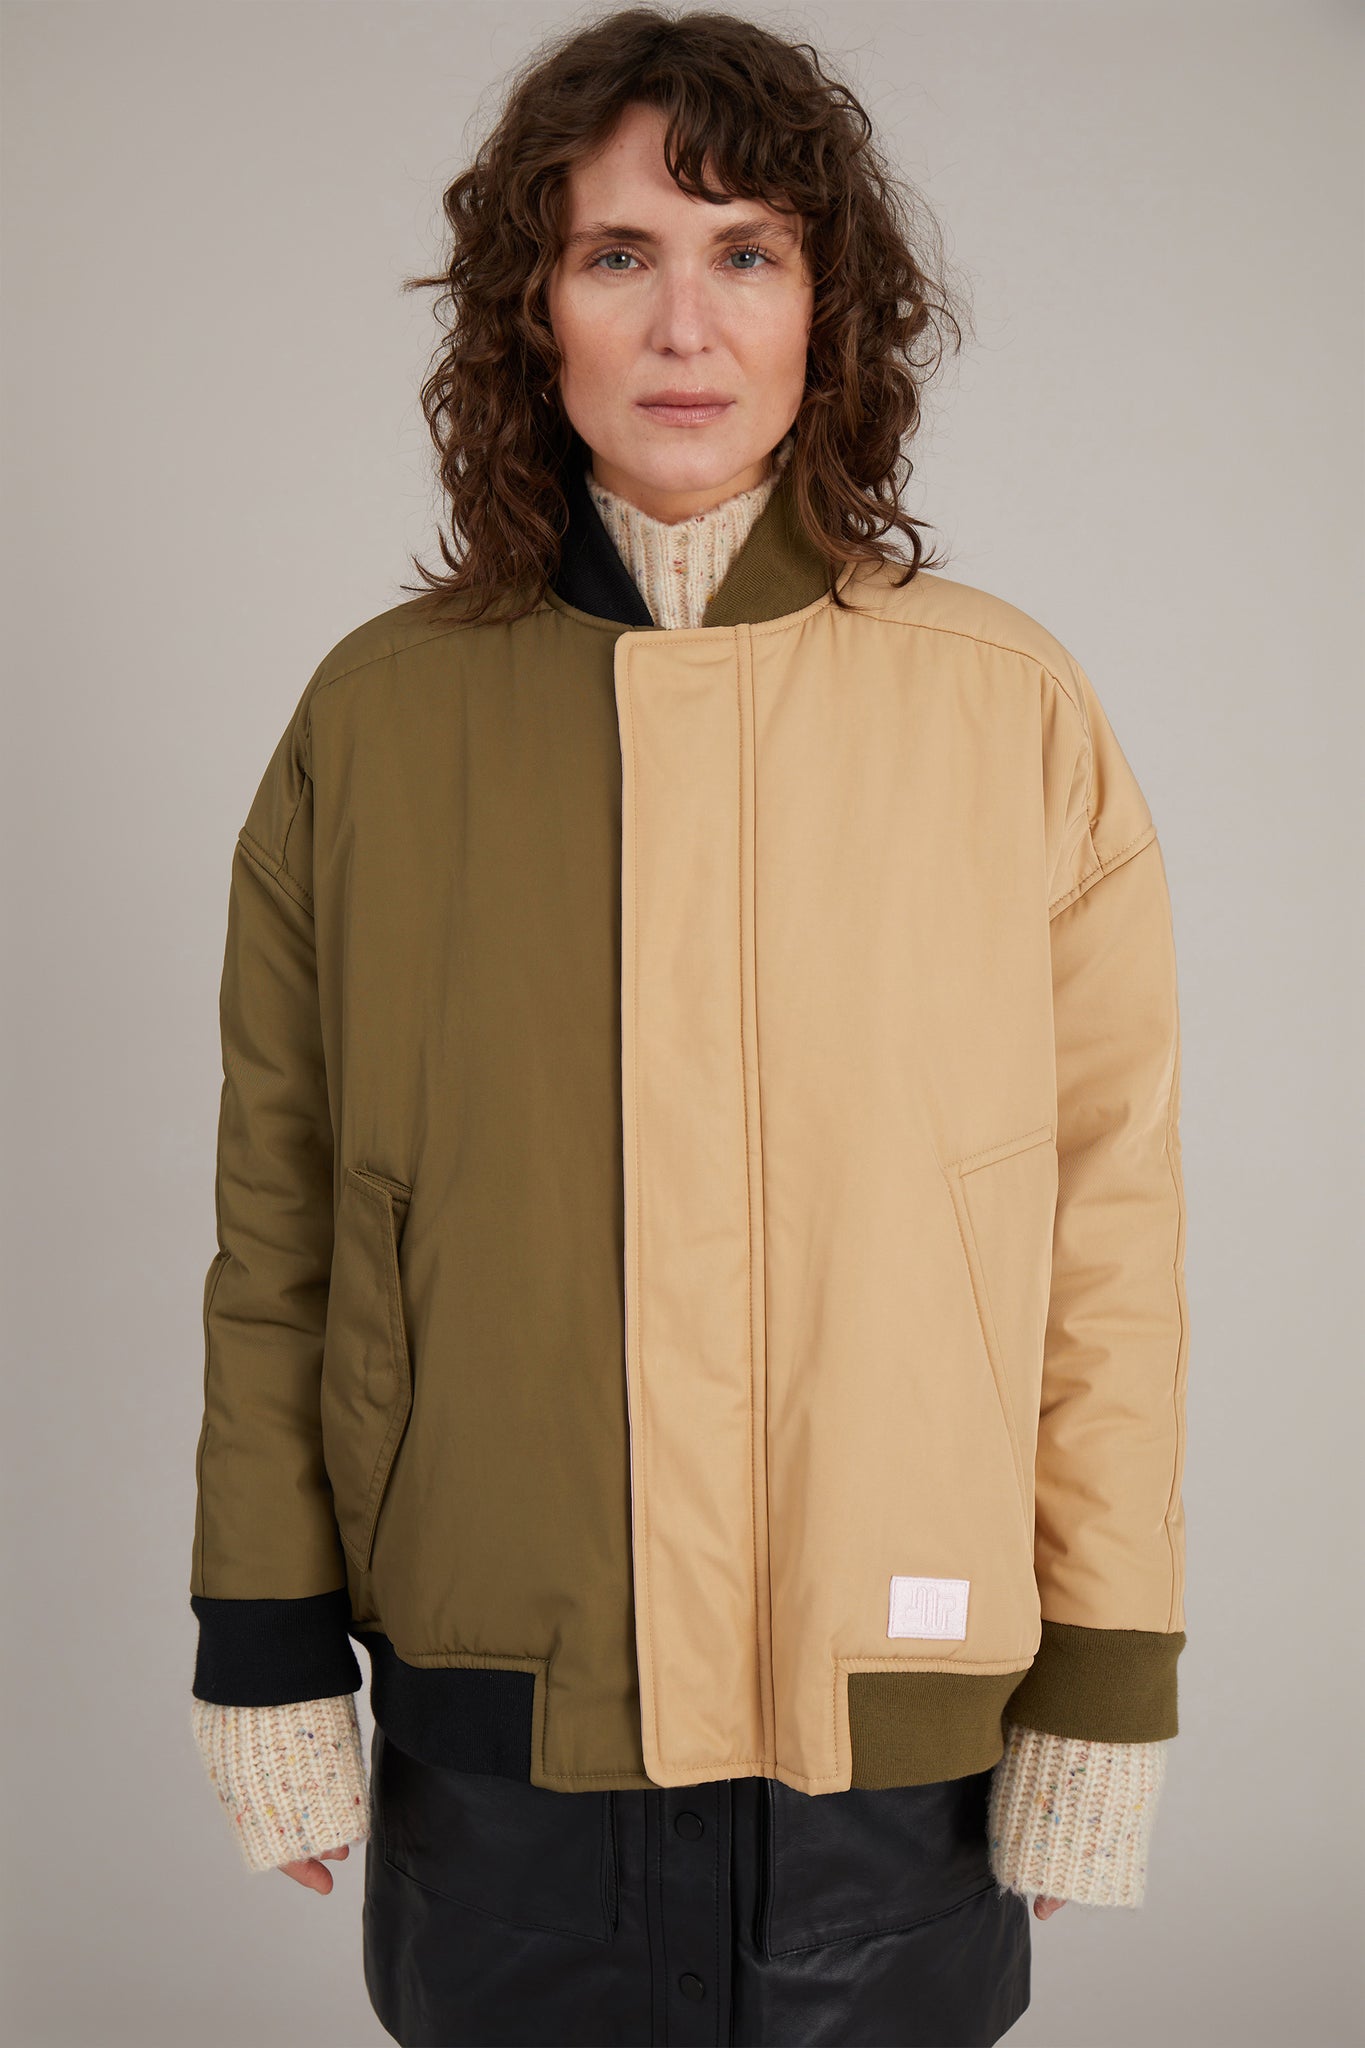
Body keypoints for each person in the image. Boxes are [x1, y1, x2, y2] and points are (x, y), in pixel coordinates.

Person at [187, 9, 1190, 2045]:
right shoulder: (377, 720)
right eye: (615, 253)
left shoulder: (1002, 710)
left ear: (829, 312)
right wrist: (264, 1640)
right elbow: (281, 1225)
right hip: (500, 1714)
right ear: (529, 310)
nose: (682, 323)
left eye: (745, 253)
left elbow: (1102, 1235)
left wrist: (1103, 1674)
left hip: (888, 1735)